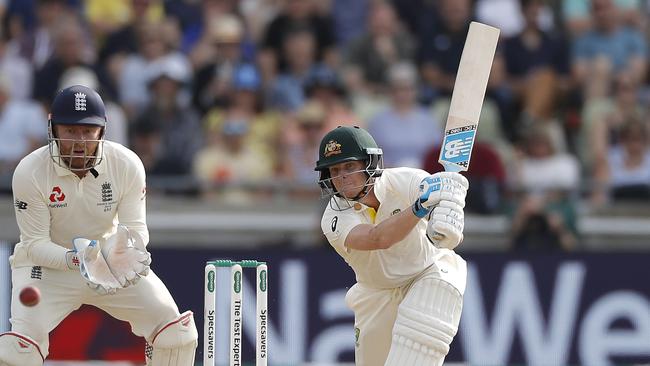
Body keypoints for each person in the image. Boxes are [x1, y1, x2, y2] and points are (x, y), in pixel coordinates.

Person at [0, 85, 198, 366]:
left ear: (102, 131)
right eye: (70, 130)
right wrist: (78, 259)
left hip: (109, 266)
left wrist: (124, 252)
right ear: (53, 129)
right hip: (47, 270)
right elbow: (34, 245)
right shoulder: (30, 171)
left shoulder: (126, 164)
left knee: (176, 335)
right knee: (16, 353)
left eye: (87, 131)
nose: (79, 140)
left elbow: (136, 229)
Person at [315, 126, 468, 366]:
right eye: (335, 170)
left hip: (425, 271)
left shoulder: (404, 180)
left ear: (371, 163)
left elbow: (441, 196)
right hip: (376, 293)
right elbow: (378, 239)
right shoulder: (333, 218)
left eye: (349, 166)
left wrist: (450, 203)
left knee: (425, 324)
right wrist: (420, 207)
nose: (341, 176)